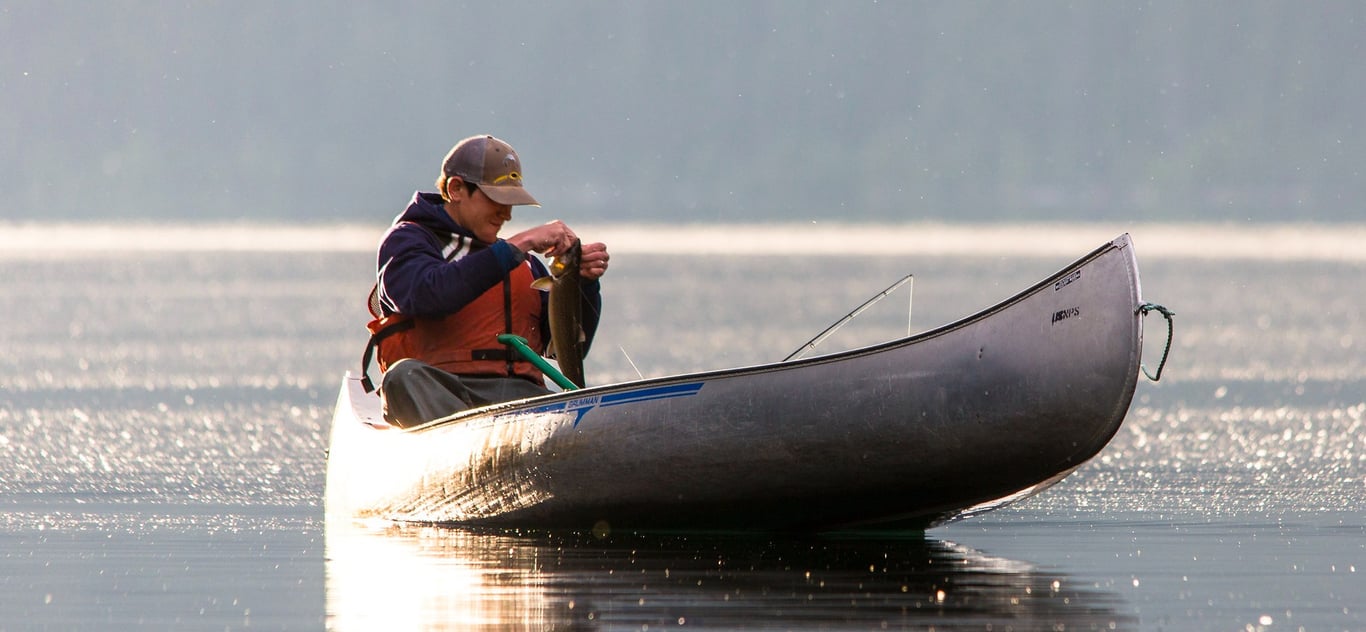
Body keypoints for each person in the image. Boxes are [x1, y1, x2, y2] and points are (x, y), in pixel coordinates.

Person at [362, 134, 609, 427]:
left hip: (518, 400)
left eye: (511, 203)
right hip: (439, 392)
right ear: (456, 189)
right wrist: (522, 242)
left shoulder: (524, 263)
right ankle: (463, 447)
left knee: (561, 405)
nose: (506, 213)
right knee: (403, 376)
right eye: (496, 200)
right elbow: (428, 295)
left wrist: (582, 285)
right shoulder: (408, 240)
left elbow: (563, 348)